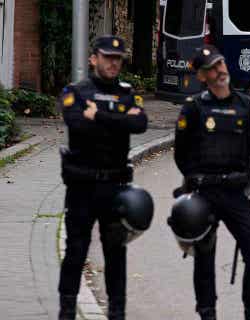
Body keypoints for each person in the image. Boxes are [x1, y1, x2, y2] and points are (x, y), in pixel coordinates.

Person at [57, 35, 148, 320]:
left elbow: (141, 123)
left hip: (115, 186)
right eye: (108, 57)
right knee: (75, 251)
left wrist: (99, 116)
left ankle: (117, 313)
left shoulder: (127, 91)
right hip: (82, 186)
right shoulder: (77, 91)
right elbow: (77, 125)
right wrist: (119, 118)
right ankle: (67, 310)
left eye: (117, 59)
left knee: (115, 253)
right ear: (93, 58)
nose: (113, 63)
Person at [174, 45, 250, 320]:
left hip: (236, 193)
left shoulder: (245, 105)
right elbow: (182, 153)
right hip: (204, 193)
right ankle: (207, 312)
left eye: (220, 64)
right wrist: (196, 178)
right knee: (204, 260)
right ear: (202, 77)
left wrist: (242, 177)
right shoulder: (194, 108)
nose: (219, 71)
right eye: (211, 69)